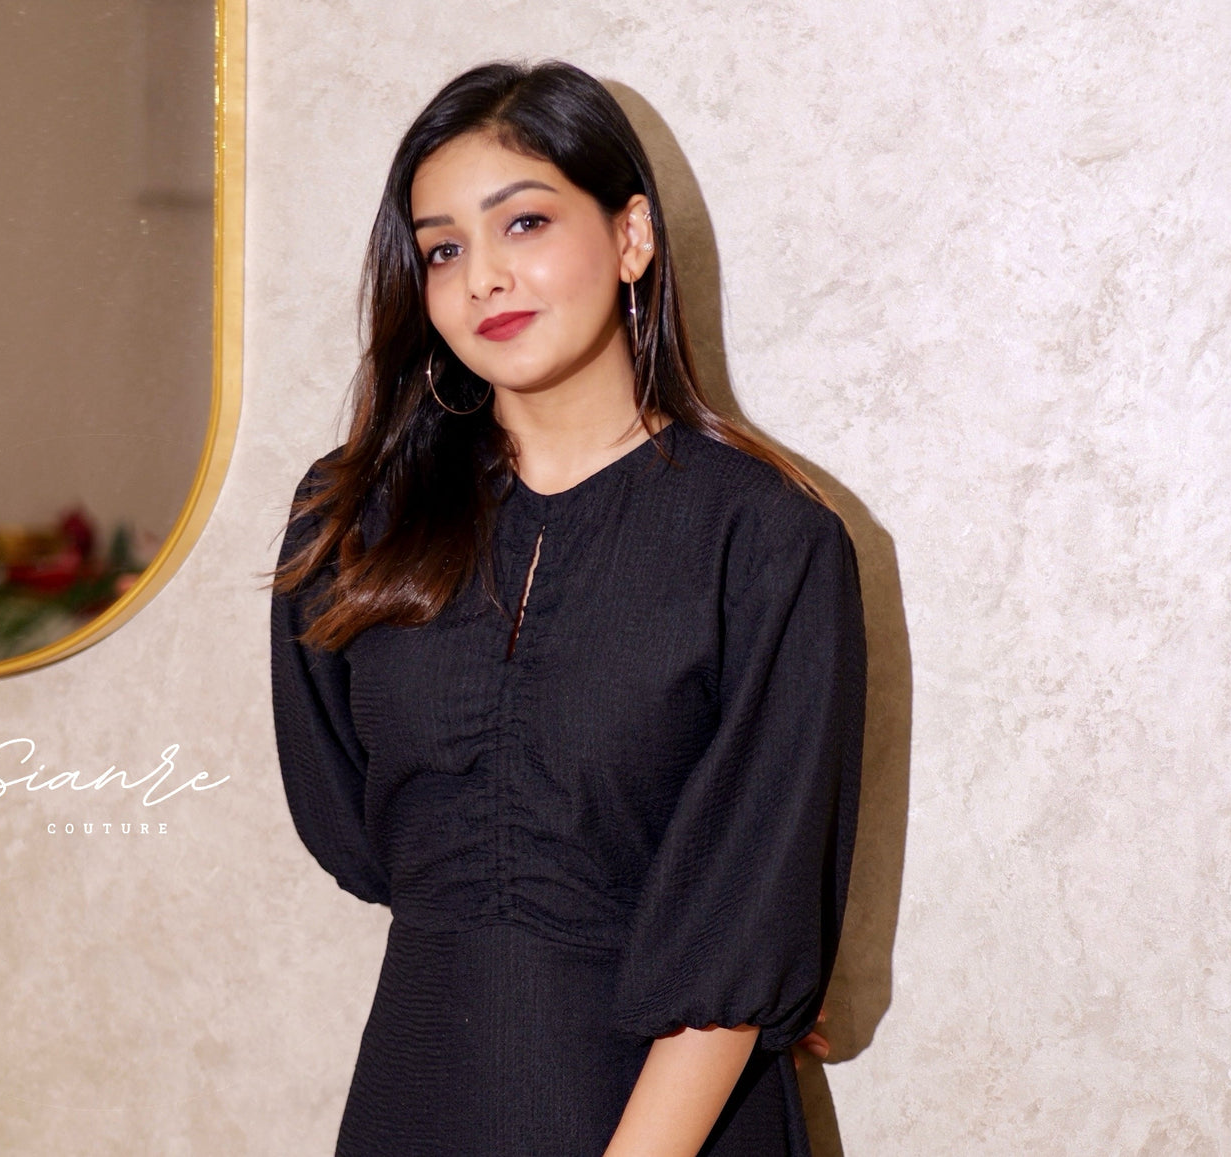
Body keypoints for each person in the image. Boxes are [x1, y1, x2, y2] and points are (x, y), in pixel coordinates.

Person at [269, 58, 868, 1157]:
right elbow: (355, 824)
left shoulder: (771, 538)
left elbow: (742, 924)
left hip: (669, 1124)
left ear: (632, 237)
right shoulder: (350, 514)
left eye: (526, 222)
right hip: (418, 1093)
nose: (483, 277)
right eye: (444, 247)